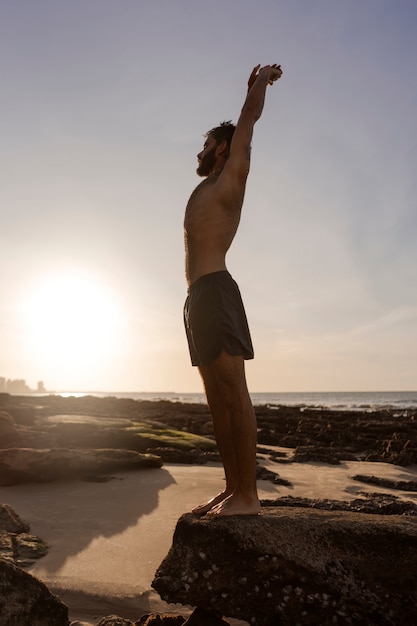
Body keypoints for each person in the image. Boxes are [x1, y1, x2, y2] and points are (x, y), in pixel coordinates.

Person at [183, 64, 283, 516]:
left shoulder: (229, 178)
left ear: (222, 148)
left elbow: (248, 118)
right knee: (215, 397)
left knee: (234, 390)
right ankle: (231, 488)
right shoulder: (203, 187)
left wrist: (260, 83)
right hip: (196, 300)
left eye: (205, 144)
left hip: (218, 291)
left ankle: (249, 495)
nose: (199, 151)